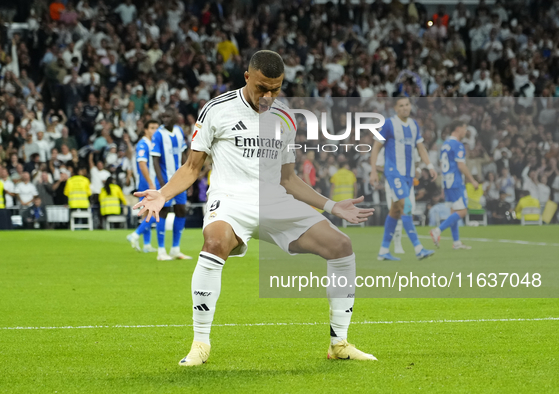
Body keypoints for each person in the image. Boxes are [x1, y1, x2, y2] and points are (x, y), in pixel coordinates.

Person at [134, 50, 376, 366]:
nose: (268, 95)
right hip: (231, 202)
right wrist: (163, 194)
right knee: (215, 242)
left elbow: (289, 179)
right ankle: (200, 344)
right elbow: (193, 167)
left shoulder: (286, 117)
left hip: (276, 201)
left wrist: (331, 206)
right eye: (262, 87)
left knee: (341, 246)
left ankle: (339, 343)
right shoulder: (215, 110)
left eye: (276, 88)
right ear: (247, 77)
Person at [369, 97, 436, 261]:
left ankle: (383, 250)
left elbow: (420, 148)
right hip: (394, 172)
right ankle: (418, 248)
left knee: (395, 211)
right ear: (395, 109)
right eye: (401, 105)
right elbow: (375, 148)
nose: (405, 108)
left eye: (407, 104)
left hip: (408, 175)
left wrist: (430, 165)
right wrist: (373, 171)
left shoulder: (414, 125)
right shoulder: (388, 124)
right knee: (406, 206)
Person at [430, 121, 479, 250]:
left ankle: (456, 242)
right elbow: (461, 165)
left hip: (446, 181)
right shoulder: (458, 145)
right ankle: (437, 230)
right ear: (457, 129)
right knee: (462, 211)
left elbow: (442, 164)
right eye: (464, 128)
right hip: (456, 181)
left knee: (454, 211)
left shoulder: (445, 145)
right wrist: (472, 180)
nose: (465, 131)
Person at [150, 107, 191, 261]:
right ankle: (161, 251)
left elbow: (183, 156)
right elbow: (155, 159)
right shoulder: (159, 134)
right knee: (163, 212)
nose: (165, 119)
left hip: (179, 180)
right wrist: (161, 183)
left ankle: (175, 249)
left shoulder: (179, 132)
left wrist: (188, 178)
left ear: (175, 117)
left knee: (181, 210)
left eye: (168, 116)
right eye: (163, 116)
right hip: (165, 180)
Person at [127, 119, 159, 253]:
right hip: (147, 183)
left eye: (156, 128)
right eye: (152, 128)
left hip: (149, 182)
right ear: (145, 129)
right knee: (157, 212)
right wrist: (151, 183)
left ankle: (146, 245)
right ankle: (134, 235)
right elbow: (142, 164)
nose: (155, 131)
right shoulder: (143, 144)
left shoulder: (151, 144)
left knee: (148, 212)